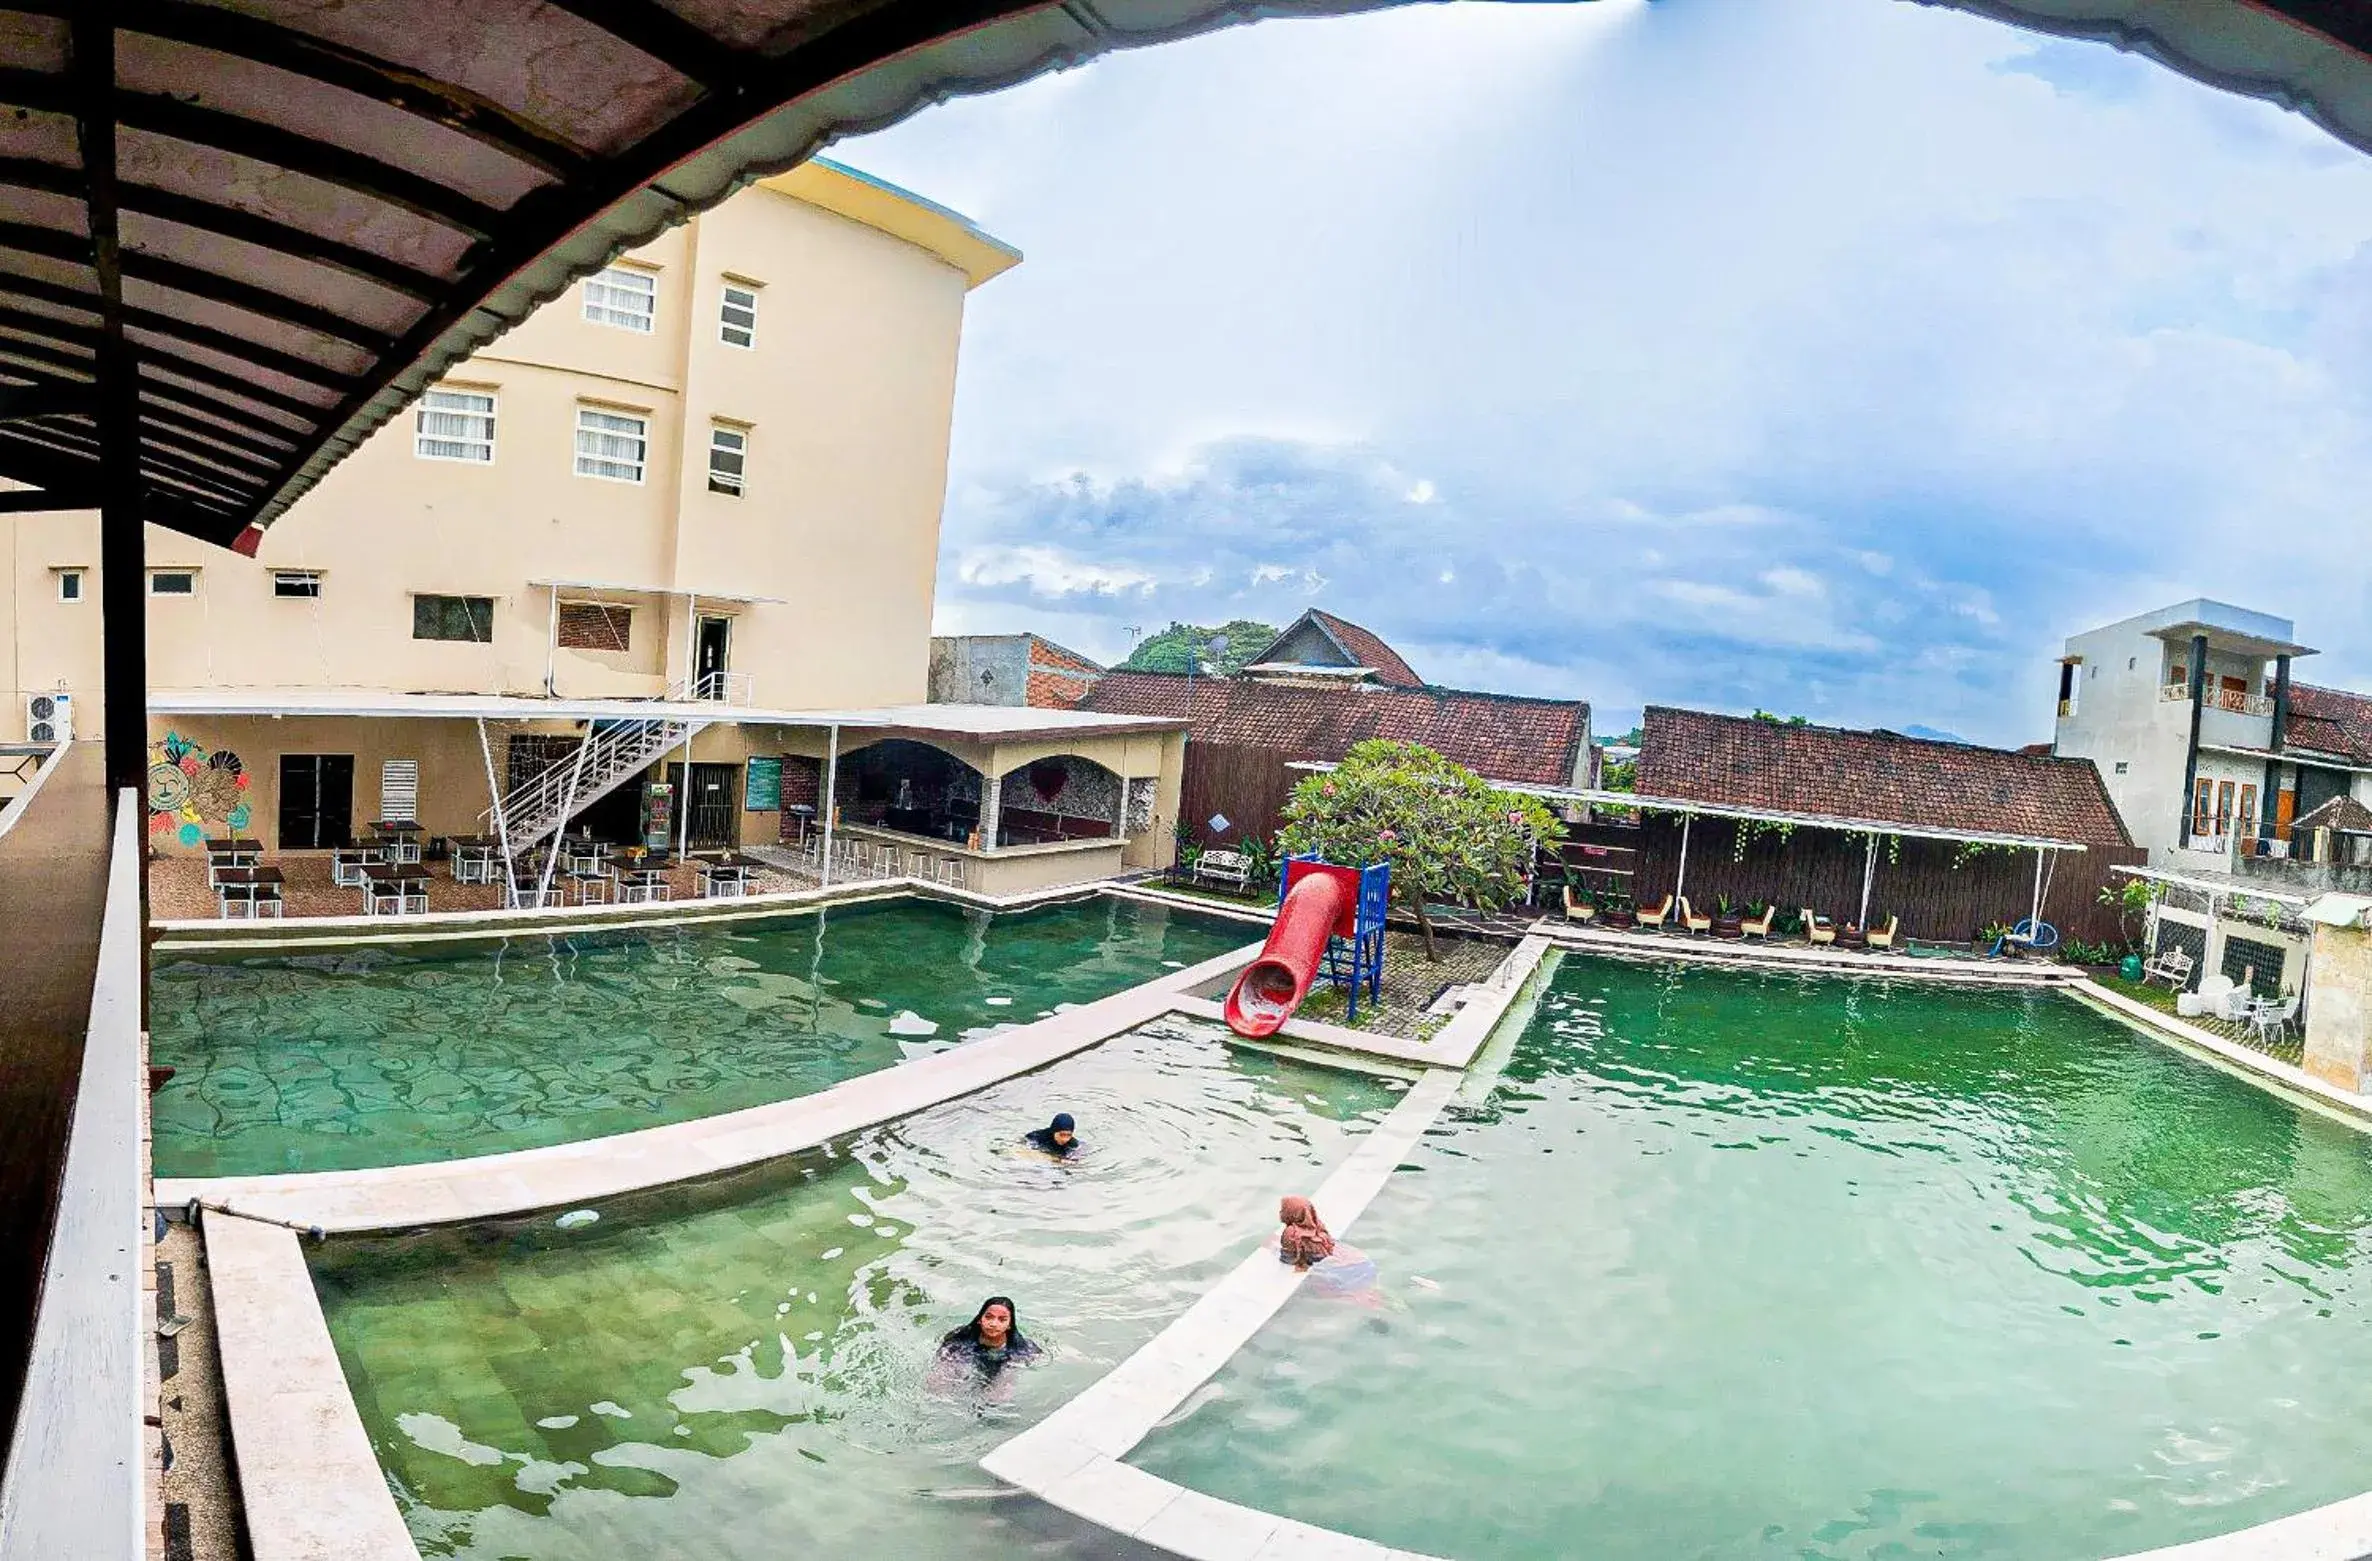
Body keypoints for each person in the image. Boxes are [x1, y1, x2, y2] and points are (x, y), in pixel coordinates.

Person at [1275, 1195, 1379, 1300]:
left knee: (1352, 1296)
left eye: (1283, 1209)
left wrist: (1274, 1251)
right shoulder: (1316, 1223)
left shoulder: (1291, 1232)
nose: (1281, 1212)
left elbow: (1288, 1259)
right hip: (1357, 1261)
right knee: (1368, 1295)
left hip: (1336, 1269)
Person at [934, 1296, 1043, 1383]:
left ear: (1009, 1325)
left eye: (1002, 1319)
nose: (993, 1324)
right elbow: (943, 1355)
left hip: (1004, 1361)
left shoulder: (1021, 1347)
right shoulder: (961, 1337)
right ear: (979, 1319)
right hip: (970, 1356)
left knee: (1000, 1397)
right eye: (989, 1317)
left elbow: (1039, 1360)